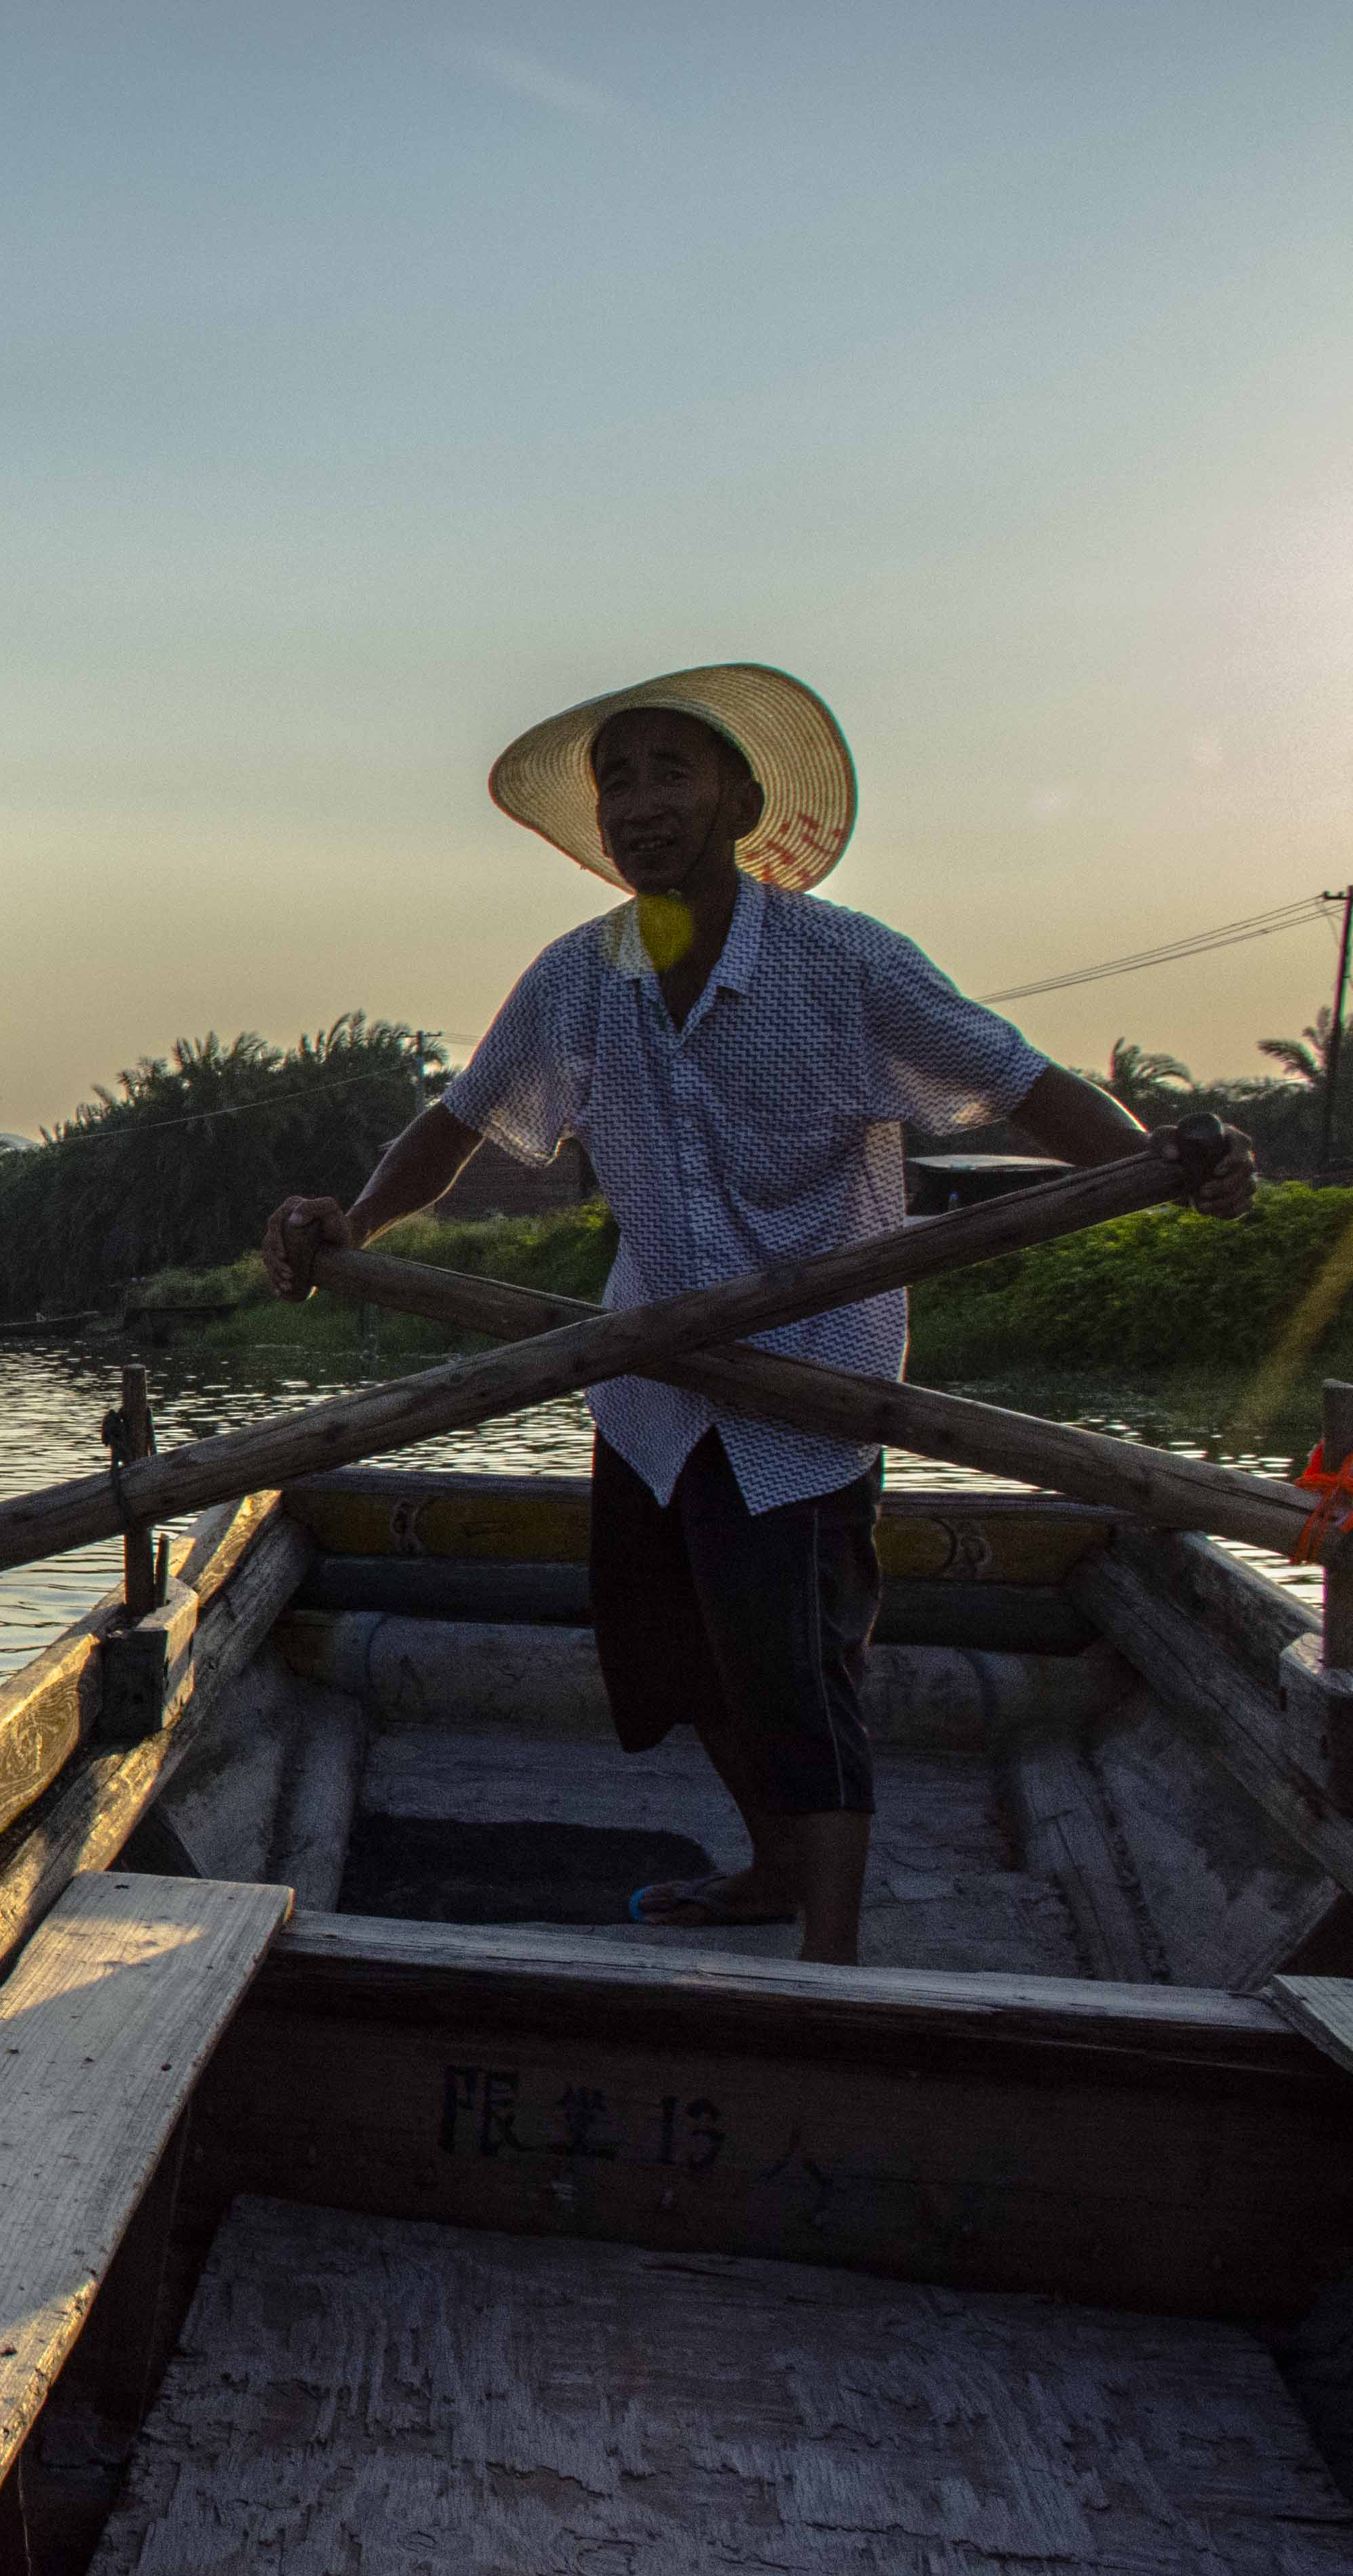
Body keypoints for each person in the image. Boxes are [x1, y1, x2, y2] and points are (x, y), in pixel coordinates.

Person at [262, 663, 1256, 1965]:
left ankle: (829, 1964)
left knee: (798, 1673)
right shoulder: (578, 978)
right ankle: (774, 1868)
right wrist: (357, 1222)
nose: (638, 803)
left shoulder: (846, 962)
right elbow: (456, 1126)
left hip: (807, 1383)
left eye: (670, 772)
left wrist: (1167, 1171)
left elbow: (1021, 1083)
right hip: (653, 1383)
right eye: (618, 781)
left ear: (739, 800)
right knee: (671, 1658)